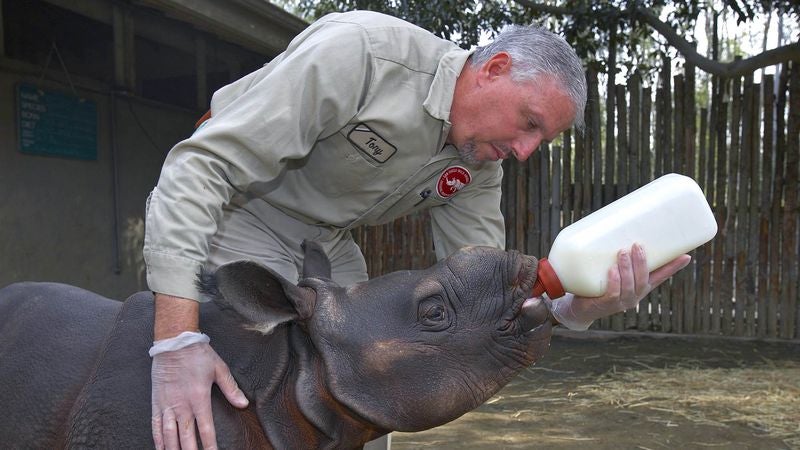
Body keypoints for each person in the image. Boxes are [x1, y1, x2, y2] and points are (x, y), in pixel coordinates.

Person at [144, 10, 691, 450]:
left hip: (327, 241)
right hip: (241, 208)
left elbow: (481, 297)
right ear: (494, 68)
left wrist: (574, 309)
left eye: (539, 141)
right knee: (223, 394)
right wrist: (174, 341)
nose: (525, 151)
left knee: (360, 392)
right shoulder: (361, 54)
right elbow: (200, 167)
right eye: (529, 123)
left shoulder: (479, 165)